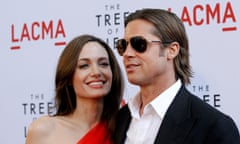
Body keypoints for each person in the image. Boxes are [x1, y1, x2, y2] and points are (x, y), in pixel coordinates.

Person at [114, 8, 240, 144]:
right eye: (123, 45)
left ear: (171, 50)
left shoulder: (214, 127)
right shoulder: (118, 120)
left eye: (139, 44)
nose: (127, 53)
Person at [25, 34, 124, 144]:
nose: (96, 72)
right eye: (84, 66)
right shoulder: (43, 130)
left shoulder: (123, 128)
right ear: (68, 77)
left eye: (104, 64)